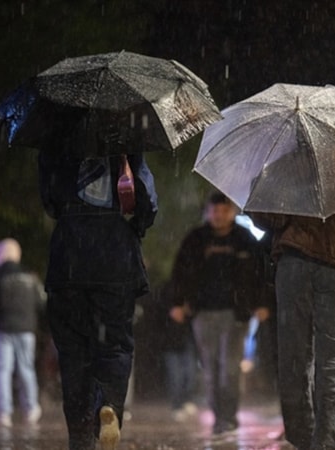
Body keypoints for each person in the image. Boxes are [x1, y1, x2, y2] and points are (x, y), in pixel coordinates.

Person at [251, 158, 335, 450]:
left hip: (294, 263)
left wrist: (260, 187)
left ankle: (301, 433)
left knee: (293, 352)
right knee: (333, 355)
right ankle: (325, 440)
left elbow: (265, 215)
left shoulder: (285, 167)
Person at [38, 148, 157, 450]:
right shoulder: (127, 142)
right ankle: (109, 404)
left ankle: (80, 435)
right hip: (114, 255)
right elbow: (147, 201)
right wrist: (135, 226)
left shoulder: (57, 142)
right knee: (115, 344)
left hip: (69, 256)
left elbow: (49, 200)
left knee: (73, 351)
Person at [170, 192, 270, 435]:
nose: (219, 216)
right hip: (203, 312)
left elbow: (260, 273)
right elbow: (180, 273)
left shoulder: (245, 240)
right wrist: (178, 303)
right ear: (208, 212)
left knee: (230, 368)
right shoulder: (195, 239)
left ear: (232, 212)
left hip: (236, 314)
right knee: (211, 368)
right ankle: (219, 416)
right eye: (215, 211)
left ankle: (229, 415)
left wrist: (261, 303)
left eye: (224, 211)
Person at [0, 238, 47, 428]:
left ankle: (4, 412)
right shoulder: (30, 276)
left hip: (1, 329)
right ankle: (31, 408)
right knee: (27, 368)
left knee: (2, 370)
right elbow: (41, 303)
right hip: (26, 329)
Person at [158, 280, 198, 422]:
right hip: (170, 343)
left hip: (186, 341)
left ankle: (187, 399)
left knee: (190, 373)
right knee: (175, 376)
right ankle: (177, 406)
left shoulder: (189, 290)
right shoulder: (166, 293)